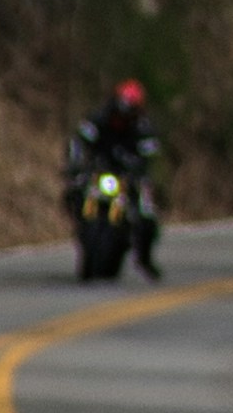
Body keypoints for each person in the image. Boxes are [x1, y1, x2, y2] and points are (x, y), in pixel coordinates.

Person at [63, 78, 163, 277]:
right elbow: (78, 141)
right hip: (99, 171)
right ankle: (82, 227)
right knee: (74, 190)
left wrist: (139, 171)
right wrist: (75, 164)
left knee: (147, 214)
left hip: (128, 175)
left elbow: (150, 153)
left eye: (128, 110)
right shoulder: (99, 118)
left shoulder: (143, 127)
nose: (122, 115)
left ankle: (144, 258)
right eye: (119, 108)